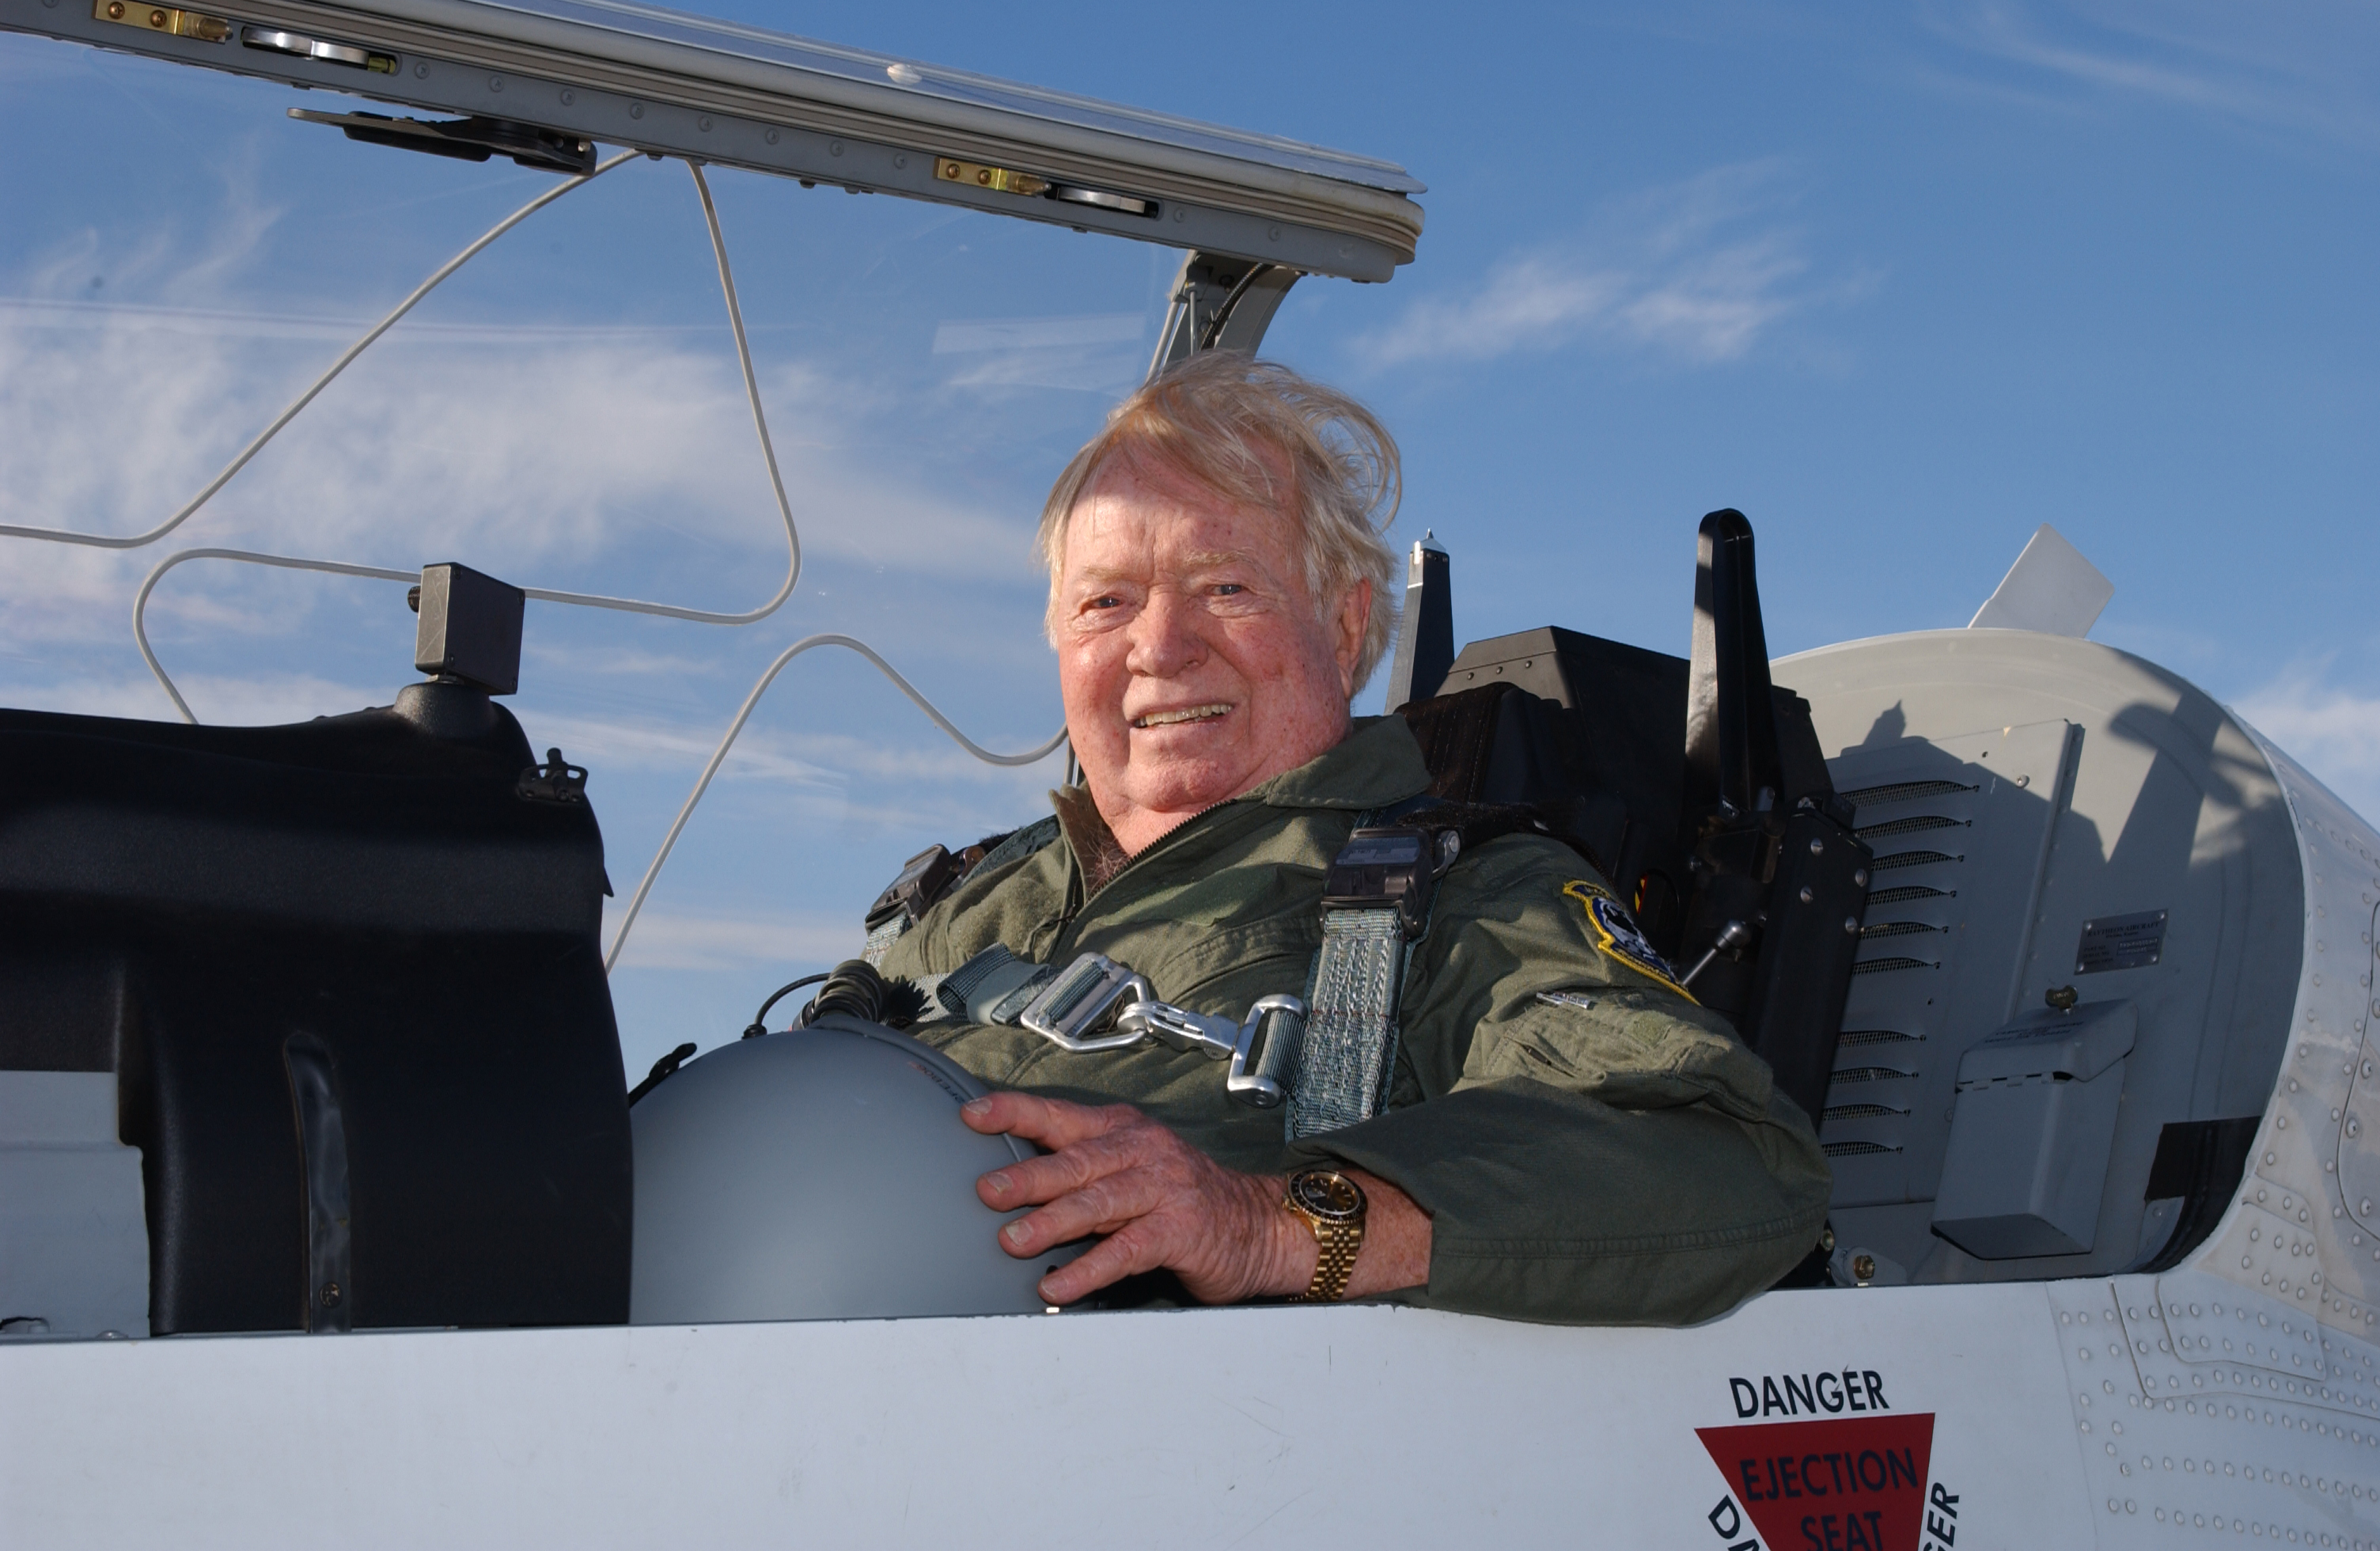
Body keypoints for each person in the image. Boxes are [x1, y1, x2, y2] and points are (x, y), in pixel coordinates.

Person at [871, 351, 1830, 1325]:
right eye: (1104, 601)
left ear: (1341, 625)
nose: (1158, 647)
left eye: (1224, 588)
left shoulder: (1455, 899)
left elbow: (1722, 1153)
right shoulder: (962, 904)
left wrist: (1267, 1226)